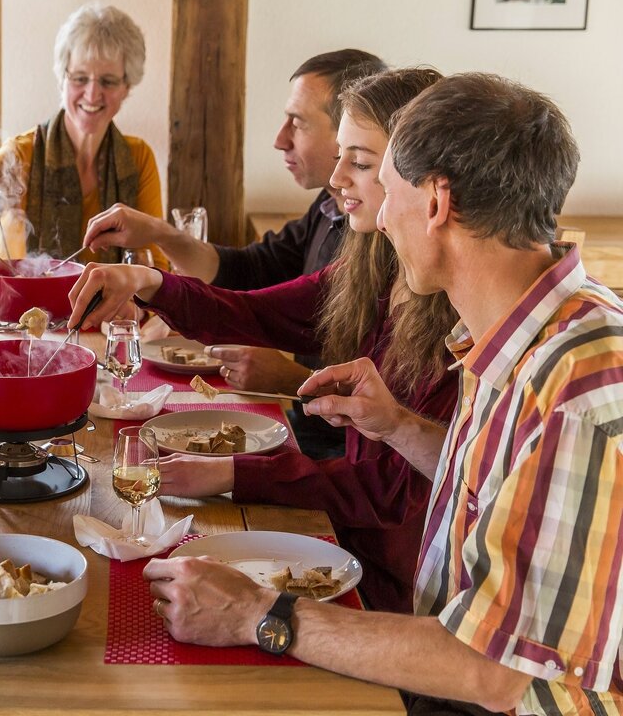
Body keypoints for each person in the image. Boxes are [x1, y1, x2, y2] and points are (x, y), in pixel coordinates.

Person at [144, 74, 623, 714]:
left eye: (388, 187)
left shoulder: (576, 390)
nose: (380, 220)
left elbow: (493, 669)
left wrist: (256, 612)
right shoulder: (516, 332)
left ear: (434, 202)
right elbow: (493, 490)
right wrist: (399, 427)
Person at [69, 68, 459, 614]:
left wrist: (235, 473)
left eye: (362, 163)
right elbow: (254, 310)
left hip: (395, 589)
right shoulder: (372, 268)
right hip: (349, 542)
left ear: (413, 177)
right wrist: (148, 281)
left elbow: (387, 491)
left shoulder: (451, 316)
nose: (337, 178)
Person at [84, 49, 388, 460]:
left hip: (329, 454)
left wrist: (295, 378)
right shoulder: (329, 207)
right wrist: (157, 242)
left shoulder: (386, 257)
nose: (280, 139)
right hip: (306, 434)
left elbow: (389, 448)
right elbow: (247, 274)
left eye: (296, 123)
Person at [0, 2, 165, 267]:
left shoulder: (138, 158)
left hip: (112, 309)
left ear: (127, 87)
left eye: (107, 81)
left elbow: (154, 263)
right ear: (62, 78)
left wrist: (136, 309)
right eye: (79, 78)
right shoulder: (20, 154)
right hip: (23, 306)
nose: (92, 94)